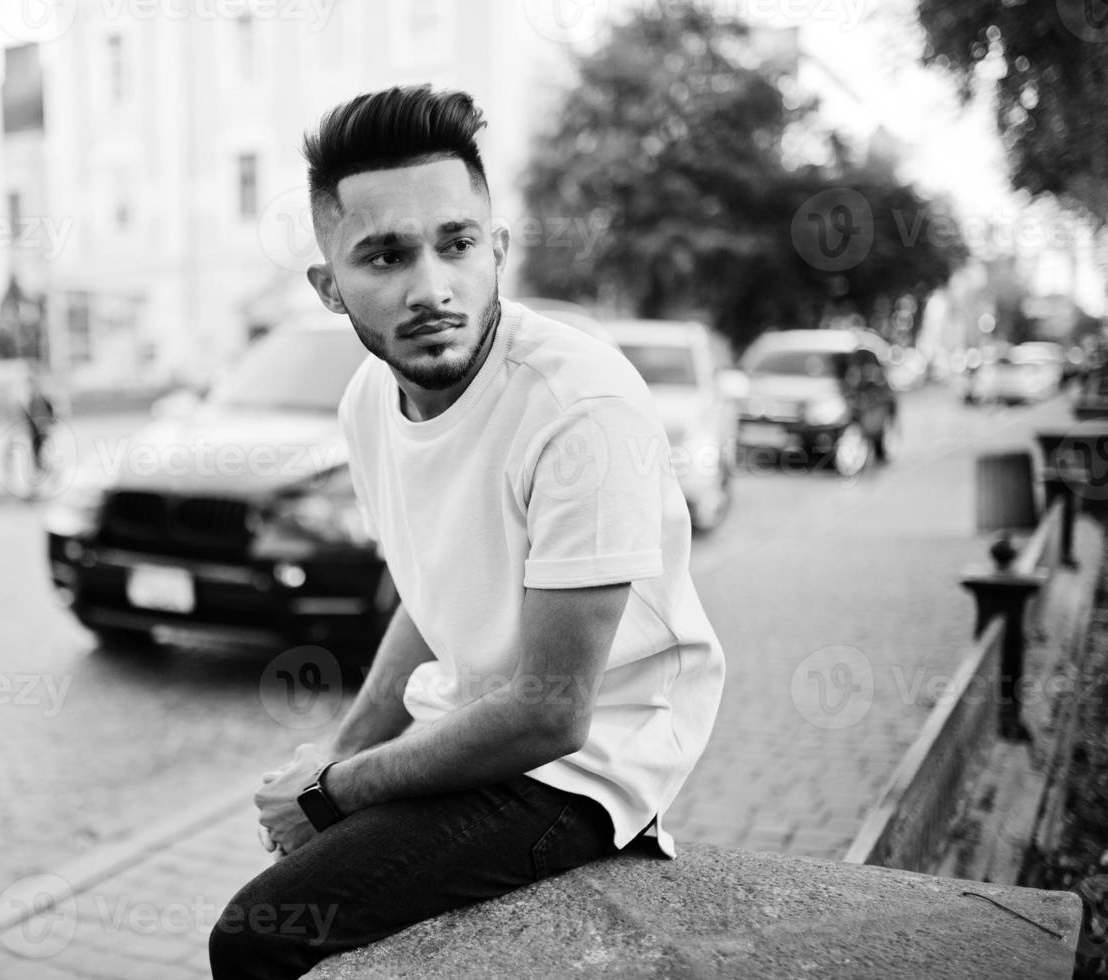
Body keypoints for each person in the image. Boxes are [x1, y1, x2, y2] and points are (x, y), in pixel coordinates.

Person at [208, 85, 725, 980]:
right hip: (470, 724)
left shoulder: (578, 405)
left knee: (260, 935)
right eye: (384, 256)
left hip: (584, 769)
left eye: (455, 244)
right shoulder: (367, 402)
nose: (430, 288)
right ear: (329, 288)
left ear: (498, 250)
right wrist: (340, 746)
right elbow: (429, 588)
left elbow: (550, 713)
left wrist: (329, 792)